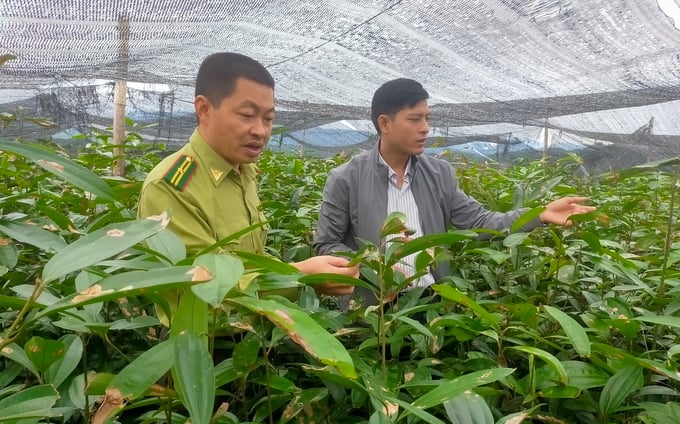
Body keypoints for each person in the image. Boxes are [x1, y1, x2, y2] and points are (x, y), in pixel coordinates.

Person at [314, 78, 595, 303]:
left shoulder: (440, 174)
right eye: (415, 119)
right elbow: (326, 244)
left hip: (431, 302)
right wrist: (374, 267)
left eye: (427, 118)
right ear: (384, 123)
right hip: (372, 306)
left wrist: (540, 214)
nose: (426, 128)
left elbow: (481, 223)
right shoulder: (346, 178)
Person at [138, 52, 358, 324]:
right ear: (204, 109)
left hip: (255, 337)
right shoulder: (171, 187)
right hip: (200, 348)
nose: (261, 131)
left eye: (268, 119)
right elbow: (202, 289)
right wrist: (299, 276)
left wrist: (303, 273)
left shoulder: (243, 173)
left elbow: (251, 262)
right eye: (247, 115)